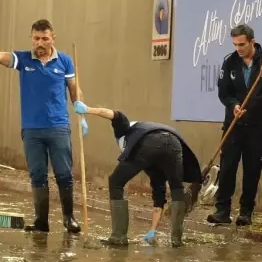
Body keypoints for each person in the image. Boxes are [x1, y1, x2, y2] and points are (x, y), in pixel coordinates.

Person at [0, 20, 88, 234]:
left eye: (44, 38)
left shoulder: (65, 61)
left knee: (63, 174)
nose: (40, 43)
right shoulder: (23, 59)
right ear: (32, 38)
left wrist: (81, 110)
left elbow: (75, 89)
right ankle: (41, 222)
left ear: (53, 38)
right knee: (37, 175)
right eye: (36, 38)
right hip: (32, 130)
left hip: (58, 127)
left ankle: (69, 218)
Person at [72, 101, 201, 247]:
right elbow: (159, 198)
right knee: (177, 188)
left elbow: (114, 115)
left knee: (115, 181)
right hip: (175, 142)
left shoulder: (127, 129)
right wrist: (152, 230)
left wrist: (87, 110)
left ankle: (118, 237)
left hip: (149, 143)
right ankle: (177, 240)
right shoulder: (155, 168)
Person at [208, 24, 262, 227]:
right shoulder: (230, 62)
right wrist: (233, 106)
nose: (239, 48)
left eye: (242, 44)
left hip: (257, 126)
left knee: (252, 169)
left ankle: (245, 212)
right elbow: (224, 93)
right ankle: (222, 210)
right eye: (235, 44)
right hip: (234, 124)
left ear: (252, 41)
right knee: (227, 167)